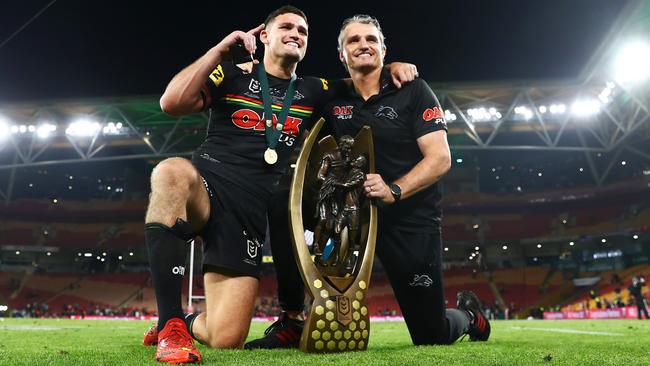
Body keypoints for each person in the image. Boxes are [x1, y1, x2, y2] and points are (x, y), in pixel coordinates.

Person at [142, 6, 418, 363]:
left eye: (303, 31)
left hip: (247, 217)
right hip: (208, 190)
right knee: (171, 172)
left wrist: (391, 66)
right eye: (286, 26)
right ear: (265, 36)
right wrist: (219, 51)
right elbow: (171, 103)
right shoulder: (230, 73)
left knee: (227, 338)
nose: (296, 34)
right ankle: (170, 325)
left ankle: (186, 320)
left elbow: (362, 85)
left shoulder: (314, 89)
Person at [245, 14, 490, 349]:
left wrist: (394, 189)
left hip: (409, 216)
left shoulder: (414, 90)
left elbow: (440, 158)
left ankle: (469, 315)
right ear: (342, 55)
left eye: (371, 39)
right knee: (282, 199)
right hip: (351, 214)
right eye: (354, 41)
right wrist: (250, 71)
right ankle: (292, 317)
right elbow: (283, 94)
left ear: (383, 49)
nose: (363, 45)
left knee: (430, 335)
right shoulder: (330, 96)